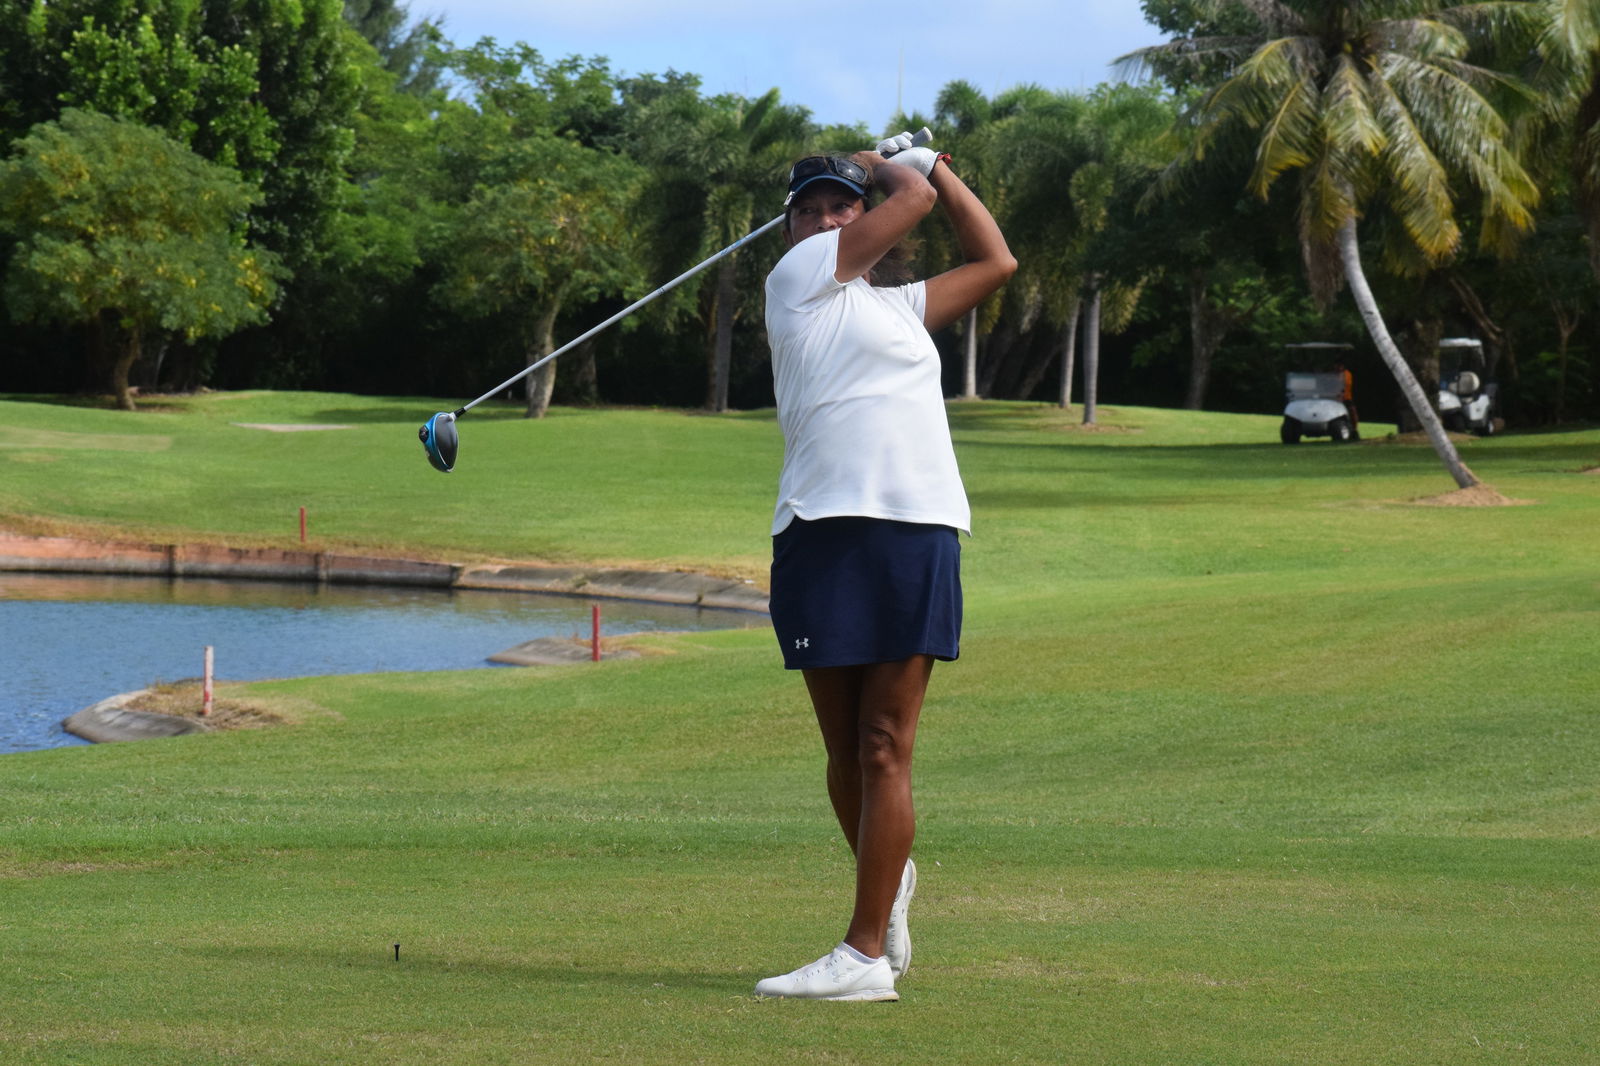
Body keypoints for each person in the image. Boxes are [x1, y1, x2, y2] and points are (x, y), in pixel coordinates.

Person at [753, 138, 1015, 1001]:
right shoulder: (795, 282)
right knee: (841, 749)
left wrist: (933, 162)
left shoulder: (900, 307)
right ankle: (888, 875)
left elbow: (996, 257)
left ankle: (864, 957)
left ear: (858, 216)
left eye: (841, 205)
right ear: (789, 229)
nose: (827, 218)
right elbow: (912, 202)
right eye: (810, 209)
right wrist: (897, 162)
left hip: (915, 528)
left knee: (883, 744)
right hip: (819, 532)